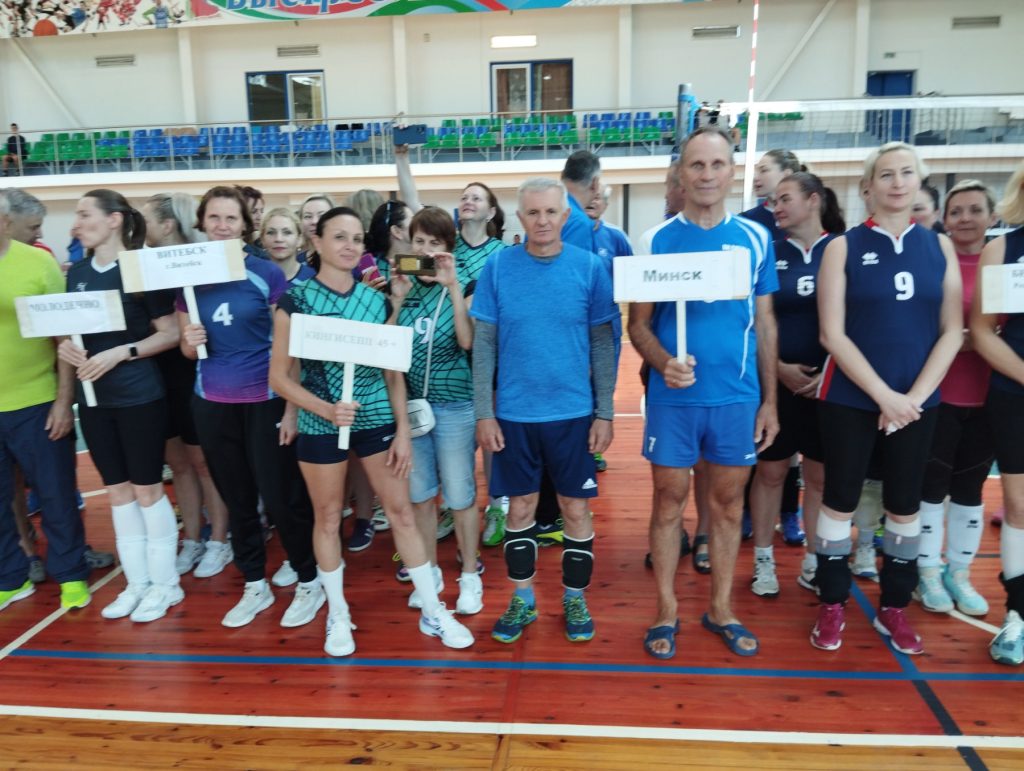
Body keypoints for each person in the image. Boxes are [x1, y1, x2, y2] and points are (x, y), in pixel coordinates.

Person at [268, 205, 474, 656]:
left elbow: (392, 371)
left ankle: (433, 610)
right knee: (327, 519)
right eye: (339, 237)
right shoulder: (296, 301)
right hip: (321, 421)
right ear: (317, 242)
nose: (349, 246)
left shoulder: (377, 300)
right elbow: (279, 378)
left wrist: (402, 431)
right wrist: (324, 409)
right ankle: (338, 614)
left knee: (402, 513)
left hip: (377, 416)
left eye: (357, 239)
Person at [630, 127, 779, 659]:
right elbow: (638, 325)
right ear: (681, 173)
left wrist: (770, 400)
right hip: (674, 400)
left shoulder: (756, 239)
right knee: (668, 502)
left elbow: (765, 324)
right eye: (697, 165)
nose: (708, 175)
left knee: (727, 505)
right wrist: (663, 363)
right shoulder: (655, 240)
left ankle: (721, 608)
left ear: (732, 172)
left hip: (736, 398)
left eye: (718, 164)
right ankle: (665, 610)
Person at [812, 142, 962, 655]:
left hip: (917, 403)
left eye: (906, 173)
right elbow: (832, 334)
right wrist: (883, 396)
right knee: (840, 500)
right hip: (850, 398)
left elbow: (952, 330)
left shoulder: (938, 247)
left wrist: (913, 397)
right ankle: (832, 602)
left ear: (919, 182)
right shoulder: (842, 247)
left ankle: (894, 607)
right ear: (867, 187)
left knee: (904, 505)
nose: (898, 183)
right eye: (886, 174)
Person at [473, 177, 617, 645]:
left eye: (551, 212)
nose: (542, 221)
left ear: (565, 215)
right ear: (520, 218)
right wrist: (484, 412)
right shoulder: (499, 267)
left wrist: (605, 411)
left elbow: (603, 344)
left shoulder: (590, 268)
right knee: (520, 508)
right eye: (533, 213)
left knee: (575, 507)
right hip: (515, 415)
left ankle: (575, 597)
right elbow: (485, 344)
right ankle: (523, 598)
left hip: (573, 414)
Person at [178, 186, 320, 630]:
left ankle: (308, 578)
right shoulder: (188, 278)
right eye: (214, 218)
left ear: (245, 226)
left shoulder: (266, 274)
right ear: (202, 223)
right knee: (237, 499)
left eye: (231, 218)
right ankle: (255, 583)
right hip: (212, 403)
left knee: (281, 497)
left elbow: (291, 347)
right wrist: (189, 341)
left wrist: (292, 408)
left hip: (266, 401)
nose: (222, 226)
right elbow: (187, 350)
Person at [57, 189, 183, 622]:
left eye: (83, 214)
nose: (76, 223)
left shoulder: (141, 267)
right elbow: (70, 331)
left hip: (139, 396)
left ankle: (166, 585)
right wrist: (67, 349)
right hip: (94, 400)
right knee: (117, 492)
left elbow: (169, 333)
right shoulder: (77, 273)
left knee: (147, 490)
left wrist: (121, 353)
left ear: (114, 219)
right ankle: (137, 583)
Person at [748, 172, 845, 598]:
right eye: (774, 200)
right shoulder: (770, 252)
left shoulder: (841, 250)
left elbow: (856, 321)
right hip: (777, 384)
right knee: (771, 472)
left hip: (829, 386)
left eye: (785, 198)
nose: (777, 207)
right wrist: (778, 368)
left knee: (819, 477)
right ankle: (763, 560)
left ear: (814, 200)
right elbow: (756, 322)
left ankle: (813, 560)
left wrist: (833, 370)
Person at [0, 190, 92, 613]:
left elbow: (64, 336)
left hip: (36, 400)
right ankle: (11, 577)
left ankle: (71, 574)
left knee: (56, 495)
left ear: (4, 223)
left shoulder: (38, 263)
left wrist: (63, 400)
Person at [391, 207, 482, 615]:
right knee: (421, 497)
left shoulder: (465, 284)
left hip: (455, 406)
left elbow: (467, 341)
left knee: (460, 495)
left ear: (449, 248)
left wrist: (452, 286)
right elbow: (387, 349)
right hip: (412, 409)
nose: (425, 251)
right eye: (419, 242)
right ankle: (429, 575)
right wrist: (396, 302)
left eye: (435, 243)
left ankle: (470, 575)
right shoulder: (401, 286)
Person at [915, 180, 998, 617]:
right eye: (956, 211)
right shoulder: (934, 264)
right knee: (931, 488)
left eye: (975, 210)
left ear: (992, 216)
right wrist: (965, 338)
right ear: (944, 220)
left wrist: (980, 338)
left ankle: (959, 573)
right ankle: (926, 571)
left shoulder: (1003, 265)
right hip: (940, 396)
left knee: (970, 489)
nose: (965, 219)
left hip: (989, 397)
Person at [140, 191, 230, 577]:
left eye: (146, 219)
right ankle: (192, 538)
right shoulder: (143, 268)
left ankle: (219, 540)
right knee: (178, 464)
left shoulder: (202, 267)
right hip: (159, 378)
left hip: (195, 375)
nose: (139, 226)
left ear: (167, 225)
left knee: (205, 465)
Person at [970, 162, 1024, 666]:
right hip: (1015, 395)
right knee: (1020, 506)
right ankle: (1018, 614)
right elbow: (983, 331)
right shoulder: (1004, 250)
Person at [742, 149, 805, 240]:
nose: (755, 178)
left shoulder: (808, 218)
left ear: (786, 174)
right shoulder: (746, 220)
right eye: (756, 172)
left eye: (764, 170)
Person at [260, 207, 314, 286]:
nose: (279, 239)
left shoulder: (313, 279)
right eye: (271, 232)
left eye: (287, 232)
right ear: (262, 239)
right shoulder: (252, 278)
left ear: (299, 239)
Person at [297, 194, 335, 263]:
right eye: (308, 216)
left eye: (322, 216)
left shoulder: (346, 259)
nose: (314, 221)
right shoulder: (295, 262)